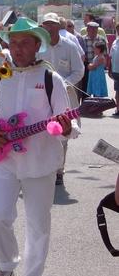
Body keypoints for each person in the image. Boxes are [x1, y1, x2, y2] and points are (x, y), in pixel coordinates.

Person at [0, 17, 80, 276]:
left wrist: (65, 127)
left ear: (37, 45)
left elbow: (70, 127)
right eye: (13, 43)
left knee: (38, 225)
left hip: (40, 164)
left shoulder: (50, 78)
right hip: (5, 160)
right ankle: (5, 266)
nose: (17, 48)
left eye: (24, 43)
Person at [39, 12, 84, 186]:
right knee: (41, 129)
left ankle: (59, 169)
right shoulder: (39, 47)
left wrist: (64, 84)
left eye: (52, 24)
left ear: (58, 26)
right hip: (42, 94)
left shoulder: (70, 46)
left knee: (63, 129)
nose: (49, 28)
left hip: (66, 94)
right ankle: (44, 166)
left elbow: (79, 70)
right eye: (46, 25)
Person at [108, 23, 119, 116]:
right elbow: (111, 56)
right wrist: (110, 69)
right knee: (117, 92)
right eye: (118, 29)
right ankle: (118, 109)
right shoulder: (115, 42)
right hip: (116, 71)